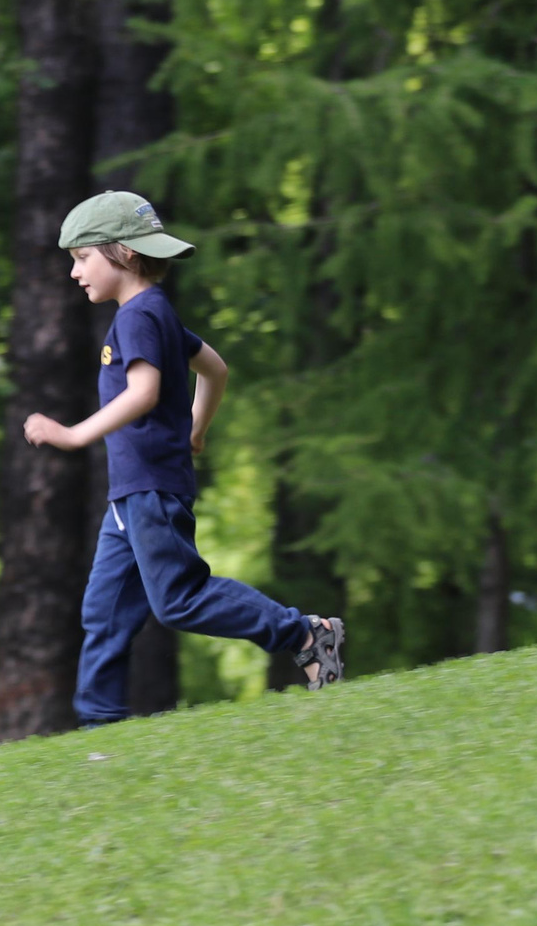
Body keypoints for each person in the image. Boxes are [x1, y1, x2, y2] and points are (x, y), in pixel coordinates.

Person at [22, 191, 345, 724]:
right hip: (131, 493)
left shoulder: (139, 316)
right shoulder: (153, 313)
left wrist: (75, 435)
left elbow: (144, 391)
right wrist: (196, 428)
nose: (75, 272)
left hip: (149, 488)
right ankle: (98, 725)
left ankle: (305, 633)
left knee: (178, 599)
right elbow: (215, 370)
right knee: (104, 612)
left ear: (122, 252)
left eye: (82, 258)